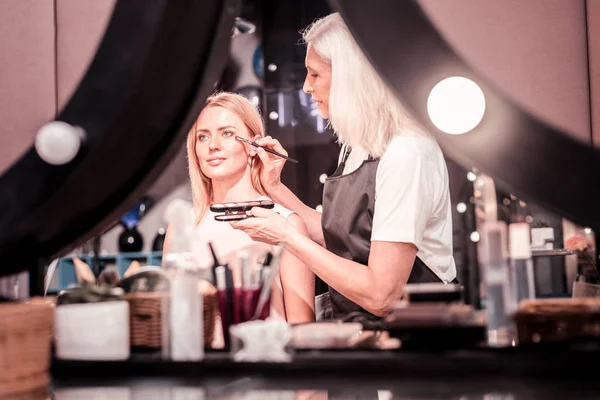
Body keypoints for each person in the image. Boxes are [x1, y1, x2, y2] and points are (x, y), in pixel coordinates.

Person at [231, 12, 457, 321]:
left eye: (315, 75)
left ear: (351, 78)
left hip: (413, 342)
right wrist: (274, 188)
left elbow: (382, 295)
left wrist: (288, 238)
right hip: (360, 333)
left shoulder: (406, 153)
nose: (307, 88)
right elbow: (341, 241)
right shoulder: (359, 147)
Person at [163, 92, 315, 324]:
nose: (213, 146)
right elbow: (171, 317)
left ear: (255, 145)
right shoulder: (182, 228)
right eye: (203, 137)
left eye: (227, 134)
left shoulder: (287, 224)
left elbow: (301, 327)